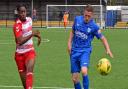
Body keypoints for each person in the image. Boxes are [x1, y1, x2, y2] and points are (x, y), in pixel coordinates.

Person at [67, 5, 113, 89]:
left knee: (84, 71)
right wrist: (69, 44)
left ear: (92, 16)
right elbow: (72, 32)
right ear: (83, 13)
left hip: (85, 51)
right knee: (75, 79)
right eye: (86, 15)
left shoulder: (94, 27)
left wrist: (108, 49)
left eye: (89, 16)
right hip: (74, 51)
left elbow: (103, 38)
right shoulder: (77, 19)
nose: (87, 18)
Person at [13, 4, 41, 89]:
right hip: (19, 55)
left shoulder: (29, 20)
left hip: (30, 51)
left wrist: (38, 36)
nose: (23, 14)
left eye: (24, 11)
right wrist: (32, 34)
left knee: (30, 71)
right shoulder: (17, 25)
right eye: (21, 12)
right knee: (25, 85)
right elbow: (20, 41)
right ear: (18, 13)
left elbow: (29, 31)